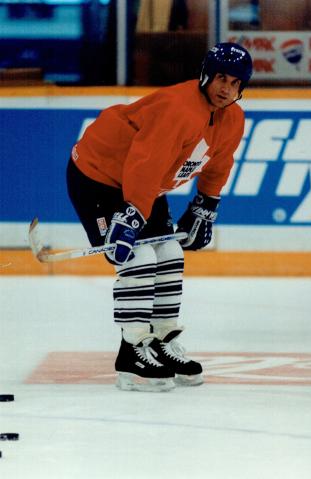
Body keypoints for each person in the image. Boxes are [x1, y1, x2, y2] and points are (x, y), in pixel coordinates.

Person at [66, 42, 253, 392]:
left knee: (169, 254)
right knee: (137, 257)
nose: (225, 88)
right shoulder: (179, 109)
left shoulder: (233, 119)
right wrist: (132, 215)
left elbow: (219, 164)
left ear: (242, 87)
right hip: (98, 176)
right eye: (220, 78)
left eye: (235, 82)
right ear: (206, 76)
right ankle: (132, 350)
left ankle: (160, 342)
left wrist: (205, 206)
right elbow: (145, 161)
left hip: (144, 185)